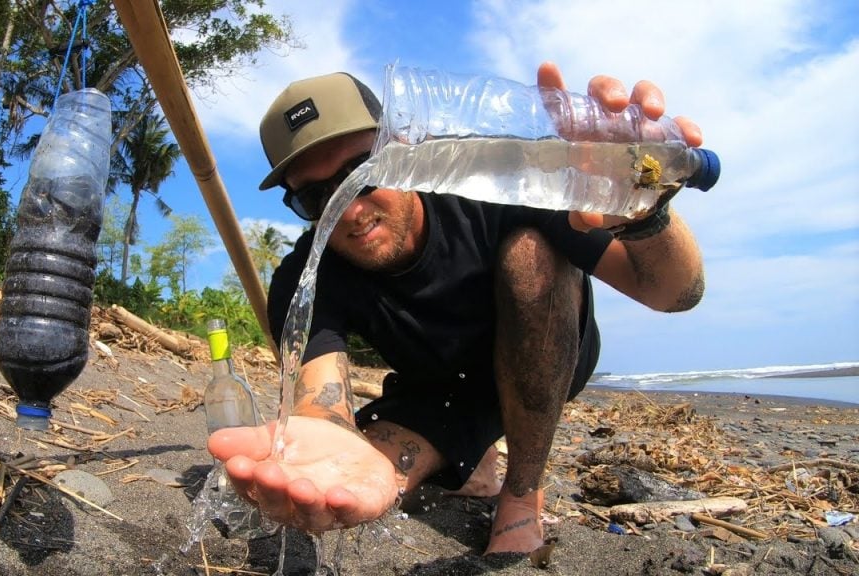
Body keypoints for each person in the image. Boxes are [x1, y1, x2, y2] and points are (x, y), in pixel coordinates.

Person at [208, 62, 706, 555]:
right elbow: (321, 398)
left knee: (530, 250)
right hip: (442, 386)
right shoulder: (305, 275)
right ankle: (475, 455)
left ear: (402, 150)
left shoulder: (495, 190)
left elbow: (673, 293)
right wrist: (322, 436)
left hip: (549, 355)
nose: (352, 210)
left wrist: (646, 211)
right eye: (318, 197)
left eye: (361, 174)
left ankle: (520, 491)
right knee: (367, 469)